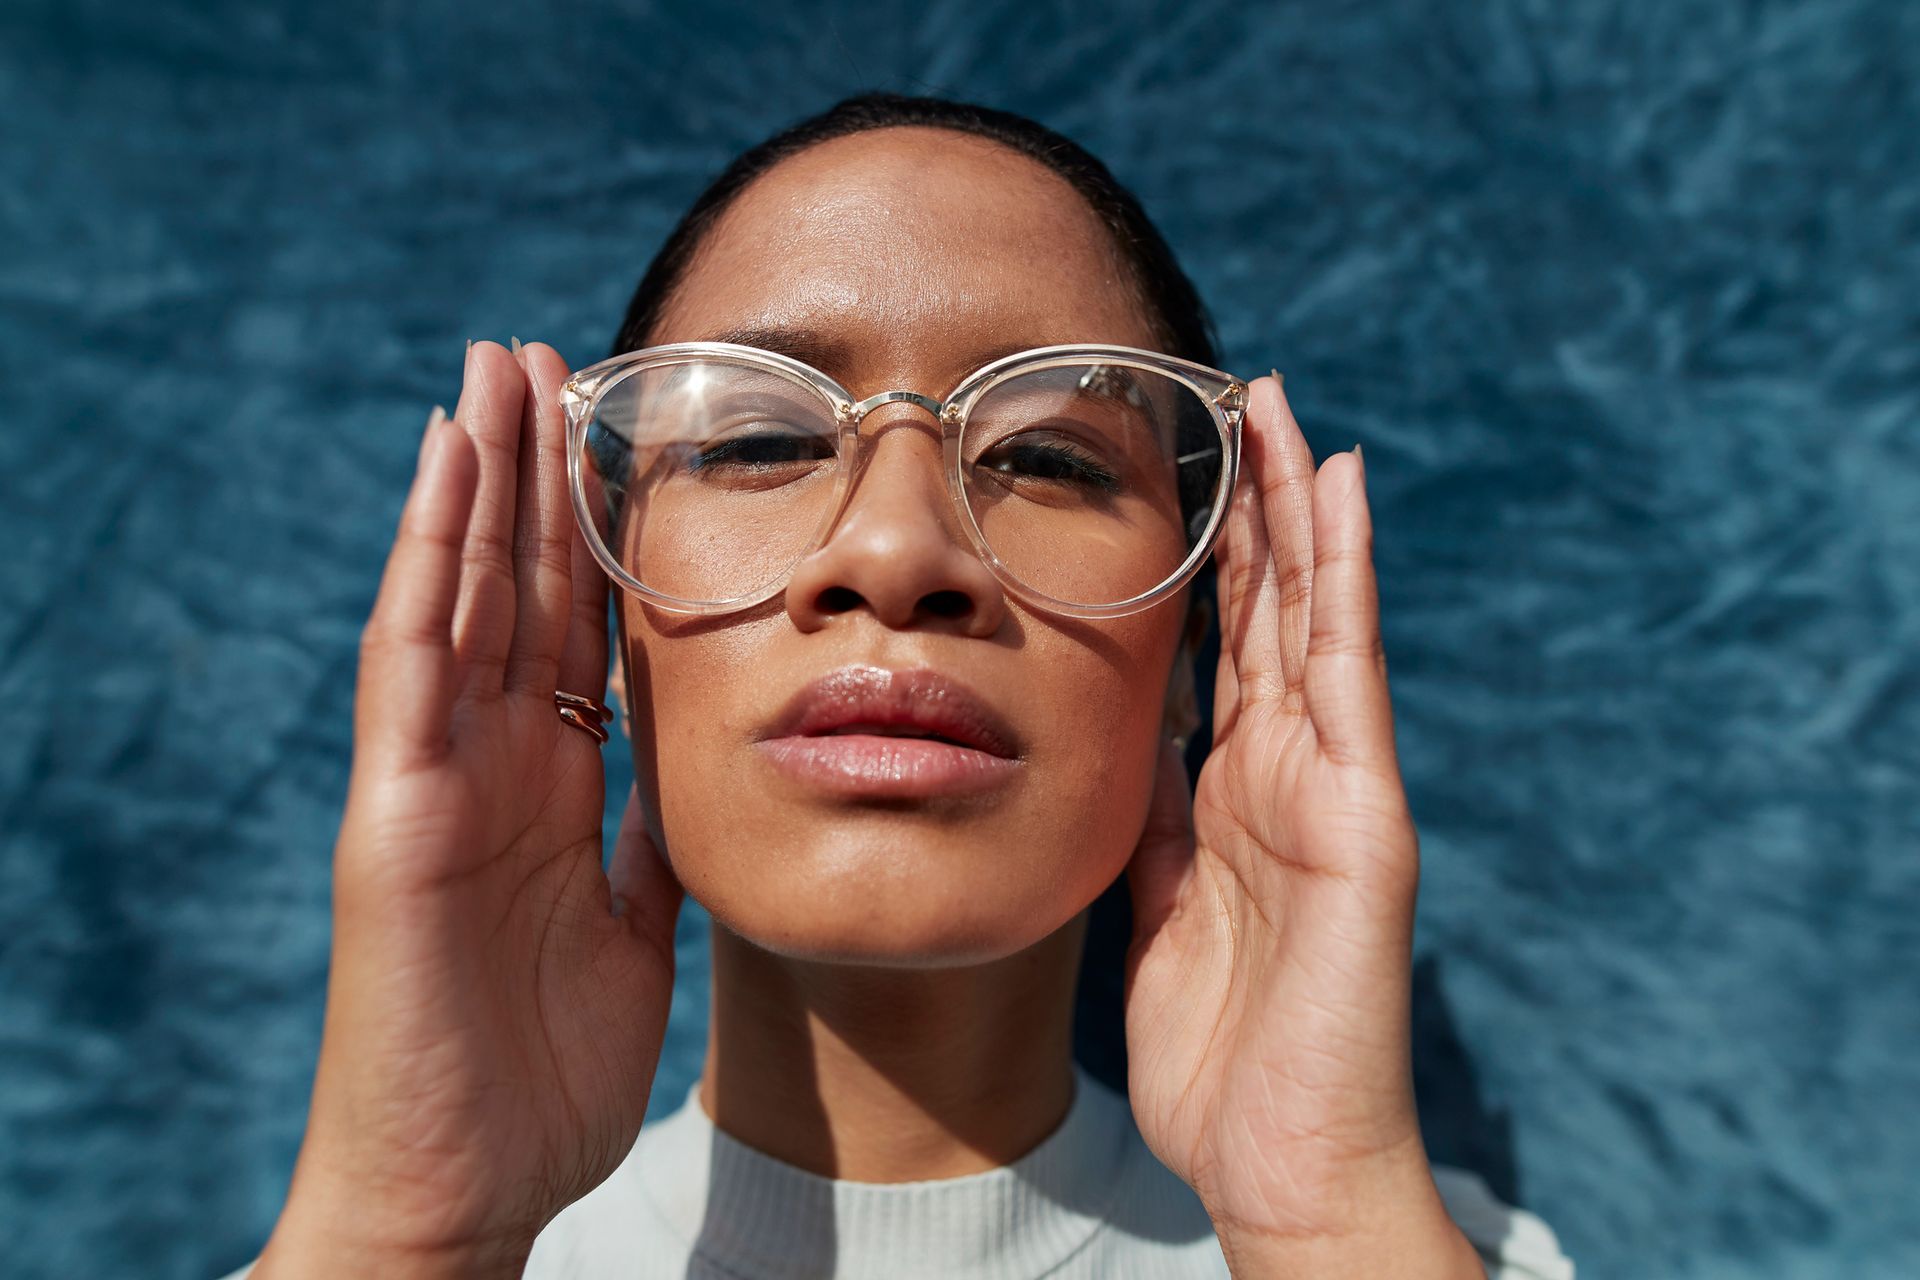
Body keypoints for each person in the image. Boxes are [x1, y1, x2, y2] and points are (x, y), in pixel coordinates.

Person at [225, 93, 1575, 1278]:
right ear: (604, 612)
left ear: (1193, 649)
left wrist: (1326, 1228)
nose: (897, 550)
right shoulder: (368, 1257)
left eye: (1051, 458)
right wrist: (404, 1238)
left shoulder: (1417, 1255)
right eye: (759, 437)